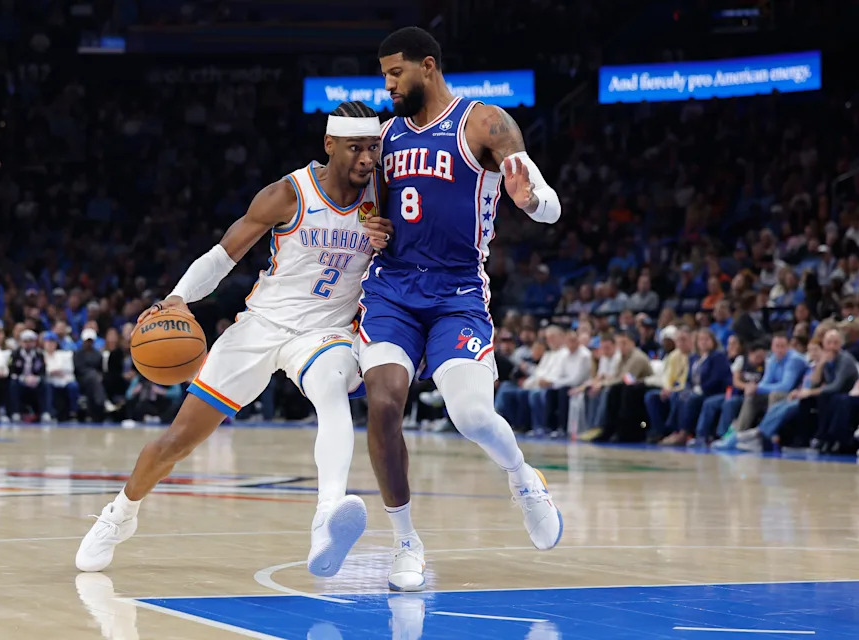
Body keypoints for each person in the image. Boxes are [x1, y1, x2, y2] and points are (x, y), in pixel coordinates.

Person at [76, 101, 394, 580]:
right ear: (330, 145)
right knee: (178, 441)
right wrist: (178, 298)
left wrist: (392, 239)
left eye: (373, 147)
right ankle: (120, 514)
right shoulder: (288, 194)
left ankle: (327, 517)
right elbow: (223, 256)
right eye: (355, 148)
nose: (367, 158)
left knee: (332, 391)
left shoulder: (385, 196)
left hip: (325, 332)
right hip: (262, 325)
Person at [358, 27, 563, 592]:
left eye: (396, 73)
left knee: (471, 417)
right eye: (383, 76)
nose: (389, 85)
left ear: (429, 65)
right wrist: (373, 225)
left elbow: (549, 206)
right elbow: (376, 212)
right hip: (392, 289)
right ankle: (405, 543)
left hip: (457, 294)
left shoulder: (485, 122)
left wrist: (530, 199)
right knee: (383, 402)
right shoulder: (386, 135)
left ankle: (523, 478)